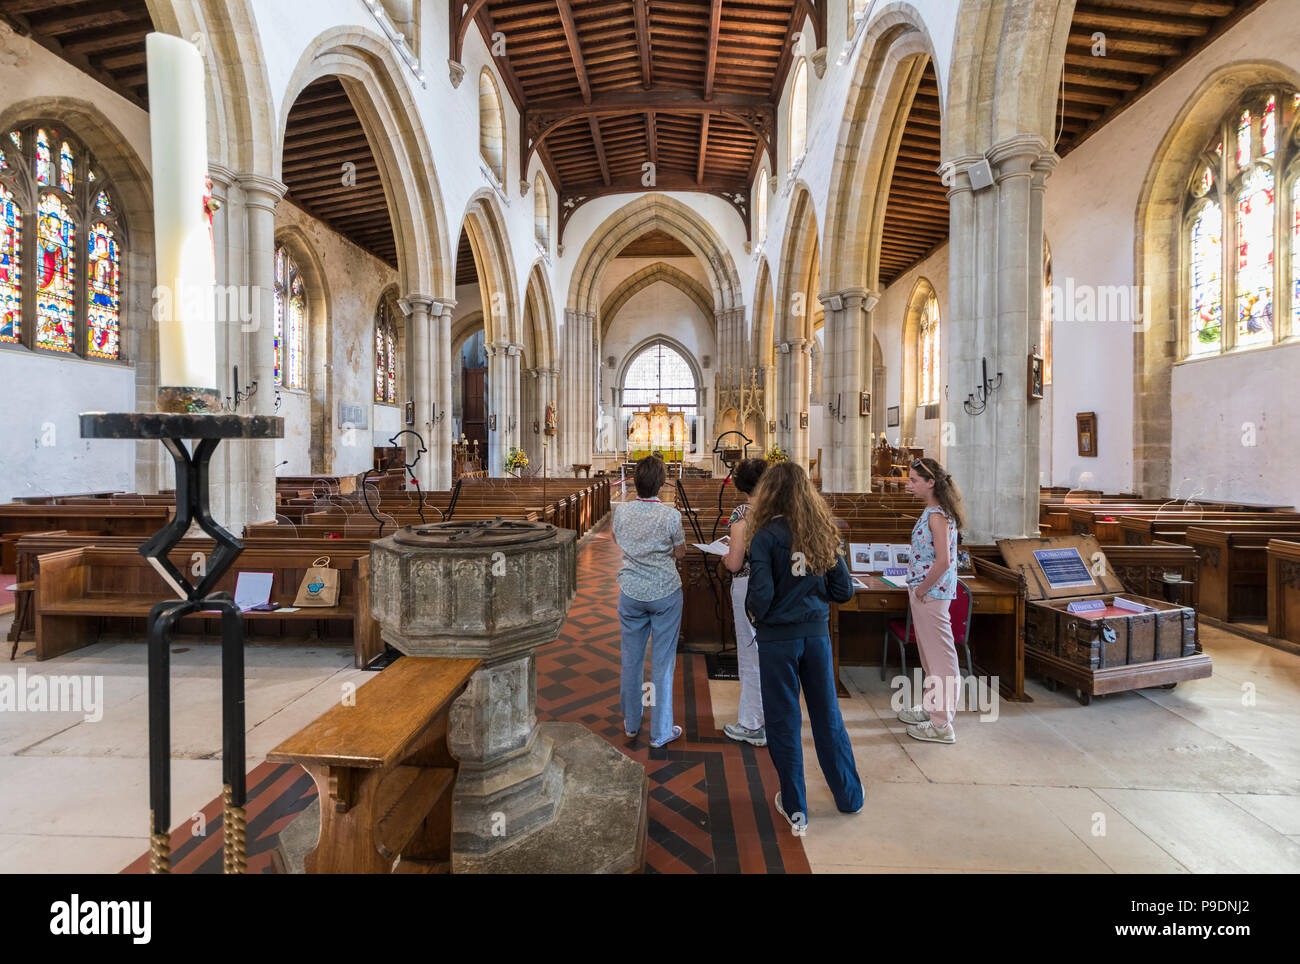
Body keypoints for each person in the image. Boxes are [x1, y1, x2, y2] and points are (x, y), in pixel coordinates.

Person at [745, 462, 864, 832]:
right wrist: (813, 595)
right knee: (828, 716)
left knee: (784, 721)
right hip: (816, 636)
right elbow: (844, 590)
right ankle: (850, 798)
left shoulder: (764, 536)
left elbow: (760, 595)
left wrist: (760, 615)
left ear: (769, 494)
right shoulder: (821, 532)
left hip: (778, 640)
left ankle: (796, 809)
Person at [611, 455, 687, 748]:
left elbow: (619, 541)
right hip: (665, 593)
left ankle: (631, 724)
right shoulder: (670, 516)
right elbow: (680, 553)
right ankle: (660, 731)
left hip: (630, 592)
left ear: (634, 481)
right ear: (661, 484)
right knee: (663, 662)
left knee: (631, 659)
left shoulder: (622, 512)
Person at [898, 456, 967, 744]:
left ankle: (941, 724)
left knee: (941, 659)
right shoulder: (932, 512)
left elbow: (944, 561)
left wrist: (922, 589)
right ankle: (931, 707)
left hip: (932, 593)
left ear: (931, 483)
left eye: (914, 480)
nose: (909, 485)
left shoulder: (938, 515)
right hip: (924, 591)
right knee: (929, 655)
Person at [721, 458, 769, 747]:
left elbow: (736, 563)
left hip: (748, 588)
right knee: (768, 653)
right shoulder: (780, 510)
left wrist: (726, 556)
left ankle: (752, 723)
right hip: (776, 588)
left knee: (750, 655)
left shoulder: (742, 514)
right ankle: (771, 716)